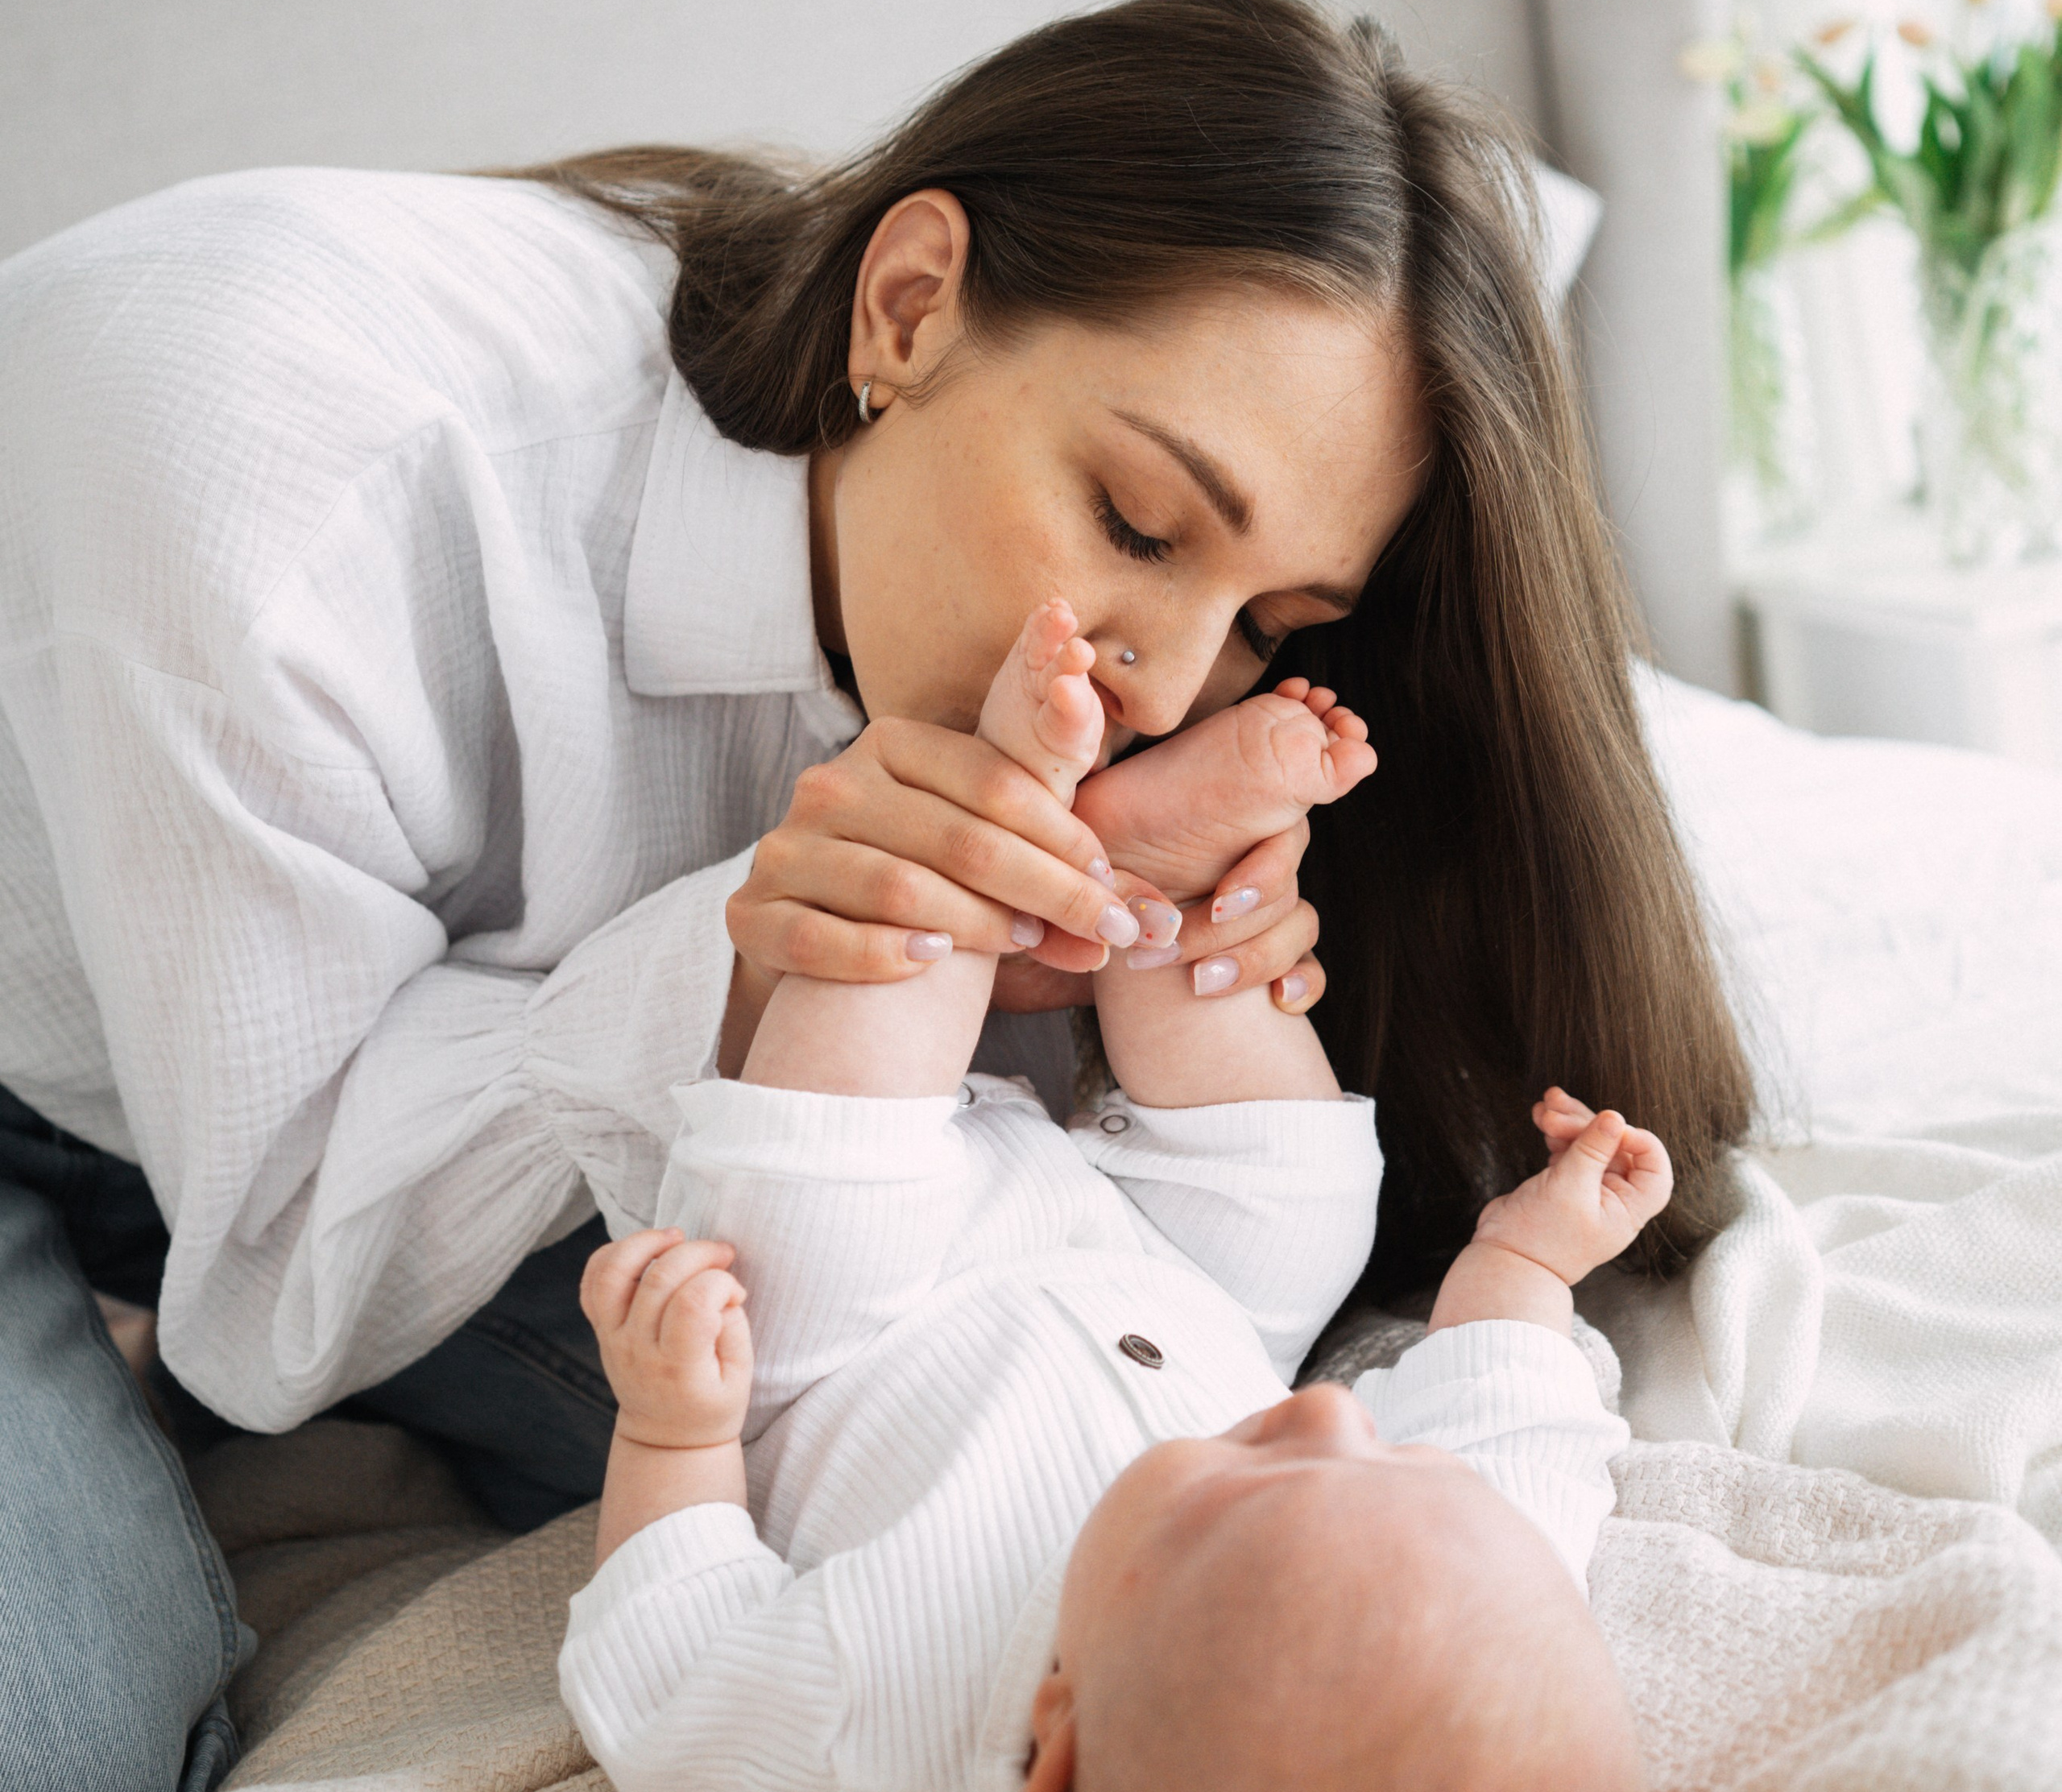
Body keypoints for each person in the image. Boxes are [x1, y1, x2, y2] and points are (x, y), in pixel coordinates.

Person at [0, 0, 1749, 1789]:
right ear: (906, 304)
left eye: (1273, 629)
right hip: (194, 1134)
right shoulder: (271, 483)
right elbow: (279, 1275)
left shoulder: (1029, 605)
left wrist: (1178, 955)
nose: (1163, 681)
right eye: (1140, 529)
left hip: (426, 1127)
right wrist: (775, 932)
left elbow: (1004, 1232)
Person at [559, 600, 1662, 1790]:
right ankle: (1148, 885)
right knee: (1300, 1200)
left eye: (1258, 1490)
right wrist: (1528, 1264)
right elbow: (1517, 1436)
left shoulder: (861, 1715)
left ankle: (990, 825)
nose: (1338, 1419)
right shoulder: (1472, 1613)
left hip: (858, 1336)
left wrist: (674, 1433)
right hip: (1197, 1295)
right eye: (1399, 1464)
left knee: (820, 1174)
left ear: (1061, 1741)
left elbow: (665, 1667)